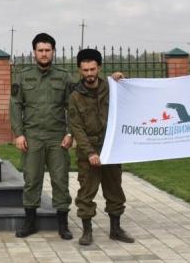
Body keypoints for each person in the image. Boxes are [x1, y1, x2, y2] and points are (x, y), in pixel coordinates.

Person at [10, 32, 74, 240]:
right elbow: (15, 105)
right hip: (32, 136)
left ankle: (63, 224)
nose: (44, 54)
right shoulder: (23, 76)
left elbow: (73, 107)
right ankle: (30, 222)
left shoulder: (64, 77)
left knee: (60, 179)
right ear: (34, 53)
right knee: (32, 179)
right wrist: (19, 134)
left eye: (48, 50)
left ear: (53, 52)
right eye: (40, 50)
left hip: (58, 137)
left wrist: (70, 133)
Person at [68, 48, 134, 246]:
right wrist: (90, 153)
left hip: (111, 148)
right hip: (88, 150)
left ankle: (116, 229)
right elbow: (76, 128)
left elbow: (129, 98)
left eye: (93, 69)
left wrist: (120, 80)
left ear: (99, 68)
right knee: (86, 192)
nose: (89, 74)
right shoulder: (75, 97)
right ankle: (87, 231)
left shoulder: (111, 88)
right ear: (80, 70)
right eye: (85, 70)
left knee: (115, 189)